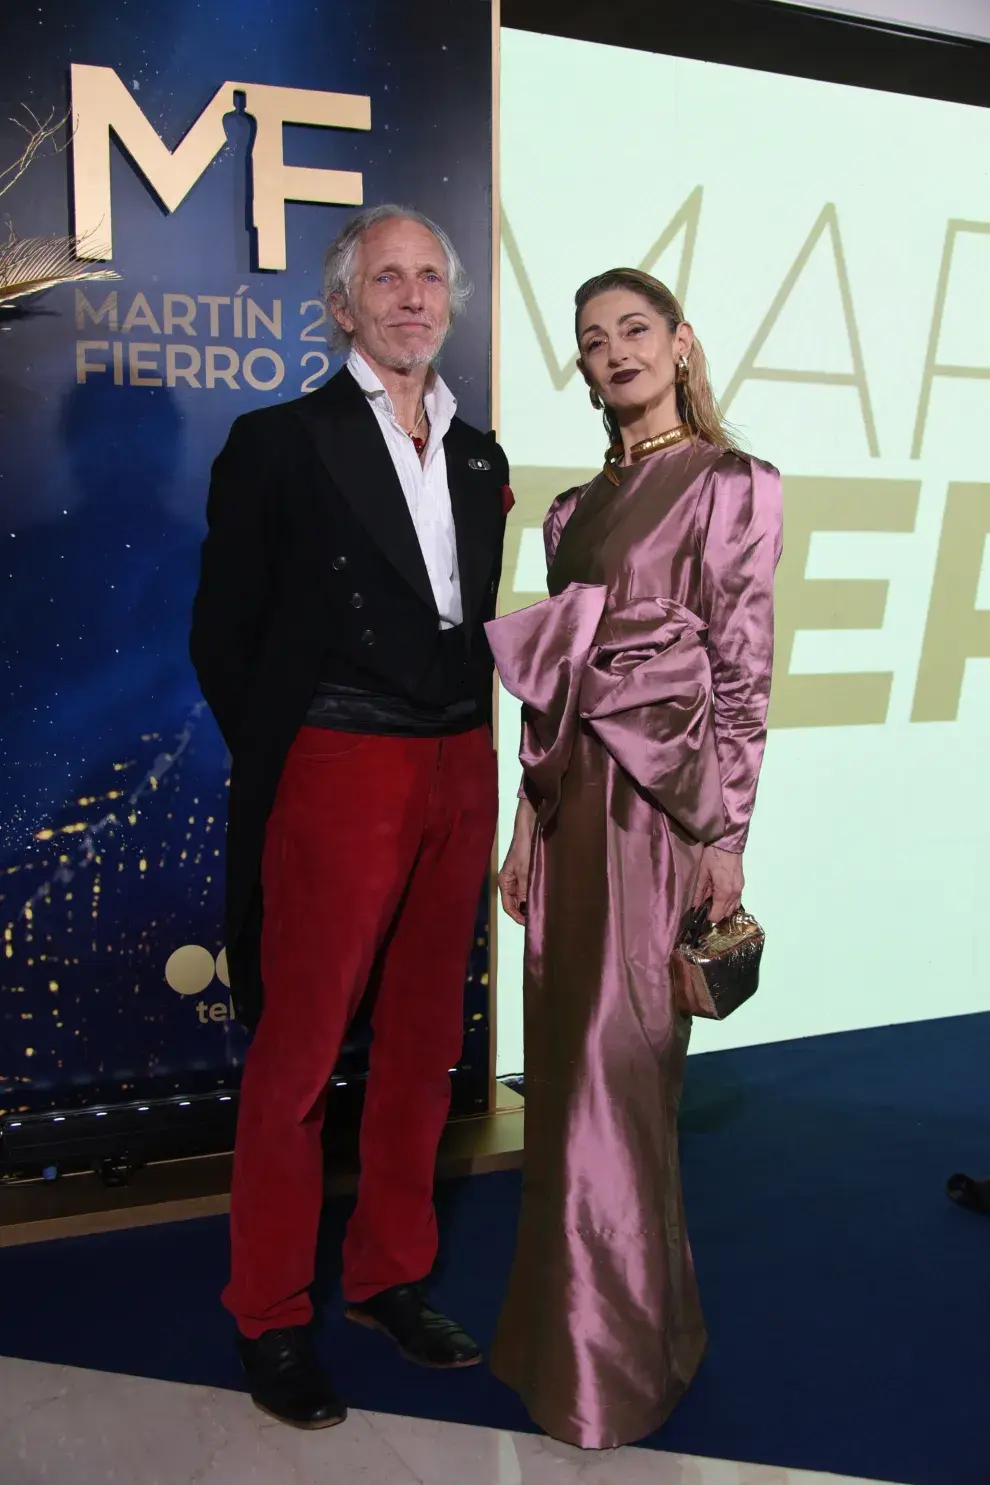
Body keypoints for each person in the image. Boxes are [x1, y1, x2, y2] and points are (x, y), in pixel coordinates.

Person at [190, 205, 509, 1429]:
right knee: (300, 1054)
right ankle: (269, 1313)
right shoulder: (277, 441)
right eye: (388, 278)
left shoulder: (479, 457)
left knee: (429, 1039)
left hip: (457, 764)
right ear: (343, 305)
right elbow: (223, 635)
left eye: (431, 277)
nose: (414, 297)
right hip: (338, 758)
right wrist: (298, 752)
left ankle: (387, 1275)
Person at [487, 268, 782, 1449]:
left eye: (635, 331)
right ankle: (560, 1337)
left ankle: (625, 1356)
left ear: (680, 343)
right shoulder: (566, 515)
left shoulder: (734, 485)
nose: (616, 352)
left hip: (662, 817)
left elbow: (743, 674)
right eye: (594, 340)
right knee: (564, 1082)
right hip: (568, 817)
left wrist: (728, 834)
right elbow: (551, 685)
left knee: (626, 1080)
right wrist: (521, 823)